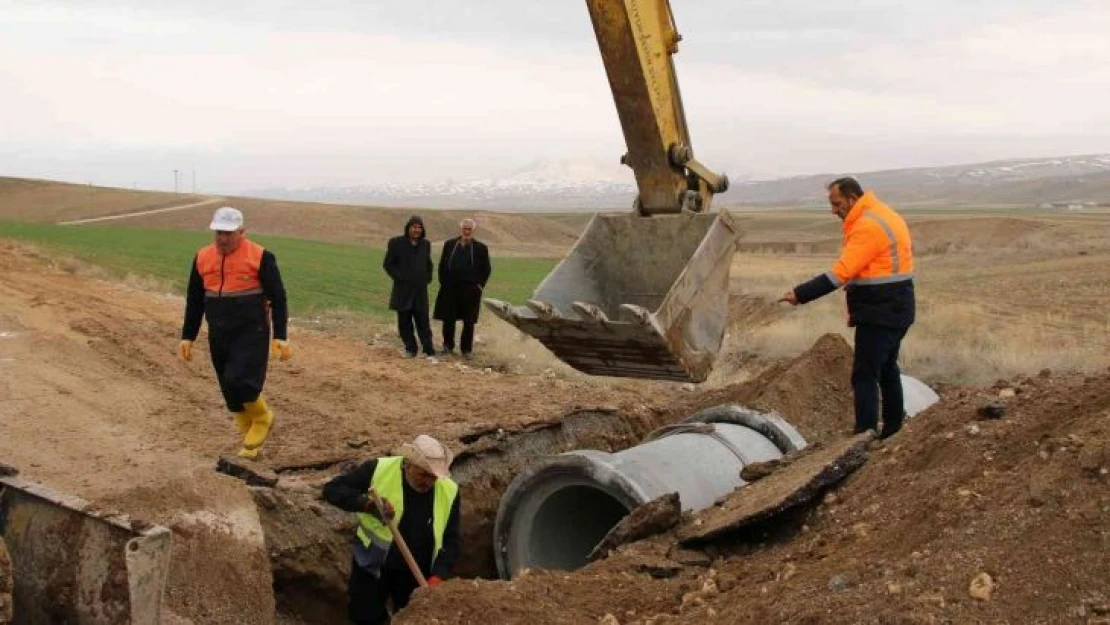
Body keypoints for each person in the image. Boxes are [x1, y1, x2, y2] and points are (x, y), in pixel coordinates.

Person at [779, 178, 915, 439]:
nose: (833, 210)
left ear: (853, 199)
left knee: (864, 374)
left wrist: (800, 294)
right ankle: (893, 429)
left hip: (880, 311)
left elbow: (839, 274)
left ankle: (864, 434)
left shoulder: (867, 226)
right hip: (898, 307)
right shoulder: (884, 213)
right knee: (887, 368)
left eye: (836, 203)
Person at [179, 207, 291, 459]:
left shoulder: (261, 256)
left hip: (251, 330)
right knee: (229, 391)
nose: (223, 238)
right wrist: (188, 336)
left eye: (229, 233)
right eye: (219, 232)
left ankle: (263, 418)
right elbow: (194, 300)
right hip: (218, 330)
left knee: (240, 379)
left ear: (242, 232)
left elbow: (279, 298)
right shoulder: (201, 257)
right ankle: (251, 449)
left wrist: (280, 336)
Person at [323, 435, 461, 625]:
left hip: (416, 573)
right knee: (365, 617)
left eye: (434, 477)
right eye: (423, 475)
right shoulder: (378, 470)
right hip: (372, 566)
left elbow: (451, 540)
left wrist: (438, 576)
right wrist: (368, 505)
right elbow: (332, 490)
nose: (429, 482)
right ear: (407, 464)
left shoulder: (449, 490)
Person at [433, 218, 492, 359]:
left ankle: (466, 350)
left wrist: (479, 286)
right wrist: (443, 283)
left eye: (469, 229)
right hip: (450, 288)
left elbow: (486, 269)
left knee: (469, 321)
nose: (466, 231)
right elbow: (442, 265)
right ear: (461, 229)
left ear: (473, 230)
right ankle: (447, 346)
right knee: (448, 319)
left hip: (470, 290)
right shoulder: (449, 245)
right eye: (464, 228)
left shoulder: (481, 248)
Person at [383, 216, 435, 358]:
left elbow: (429, 264)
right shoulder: (396, 243)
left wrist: (427, 278)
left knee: (423, 321)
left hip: (420, 290)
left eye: (420, 227)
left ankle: (428, 350)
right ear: (408, 228)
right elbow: (388, 264)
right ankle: (411, 349)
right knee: (404, 322)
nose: (417, 230)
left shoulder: (425, 244)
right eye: (414, 227)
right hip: (403, 289)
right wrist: (400, 278)